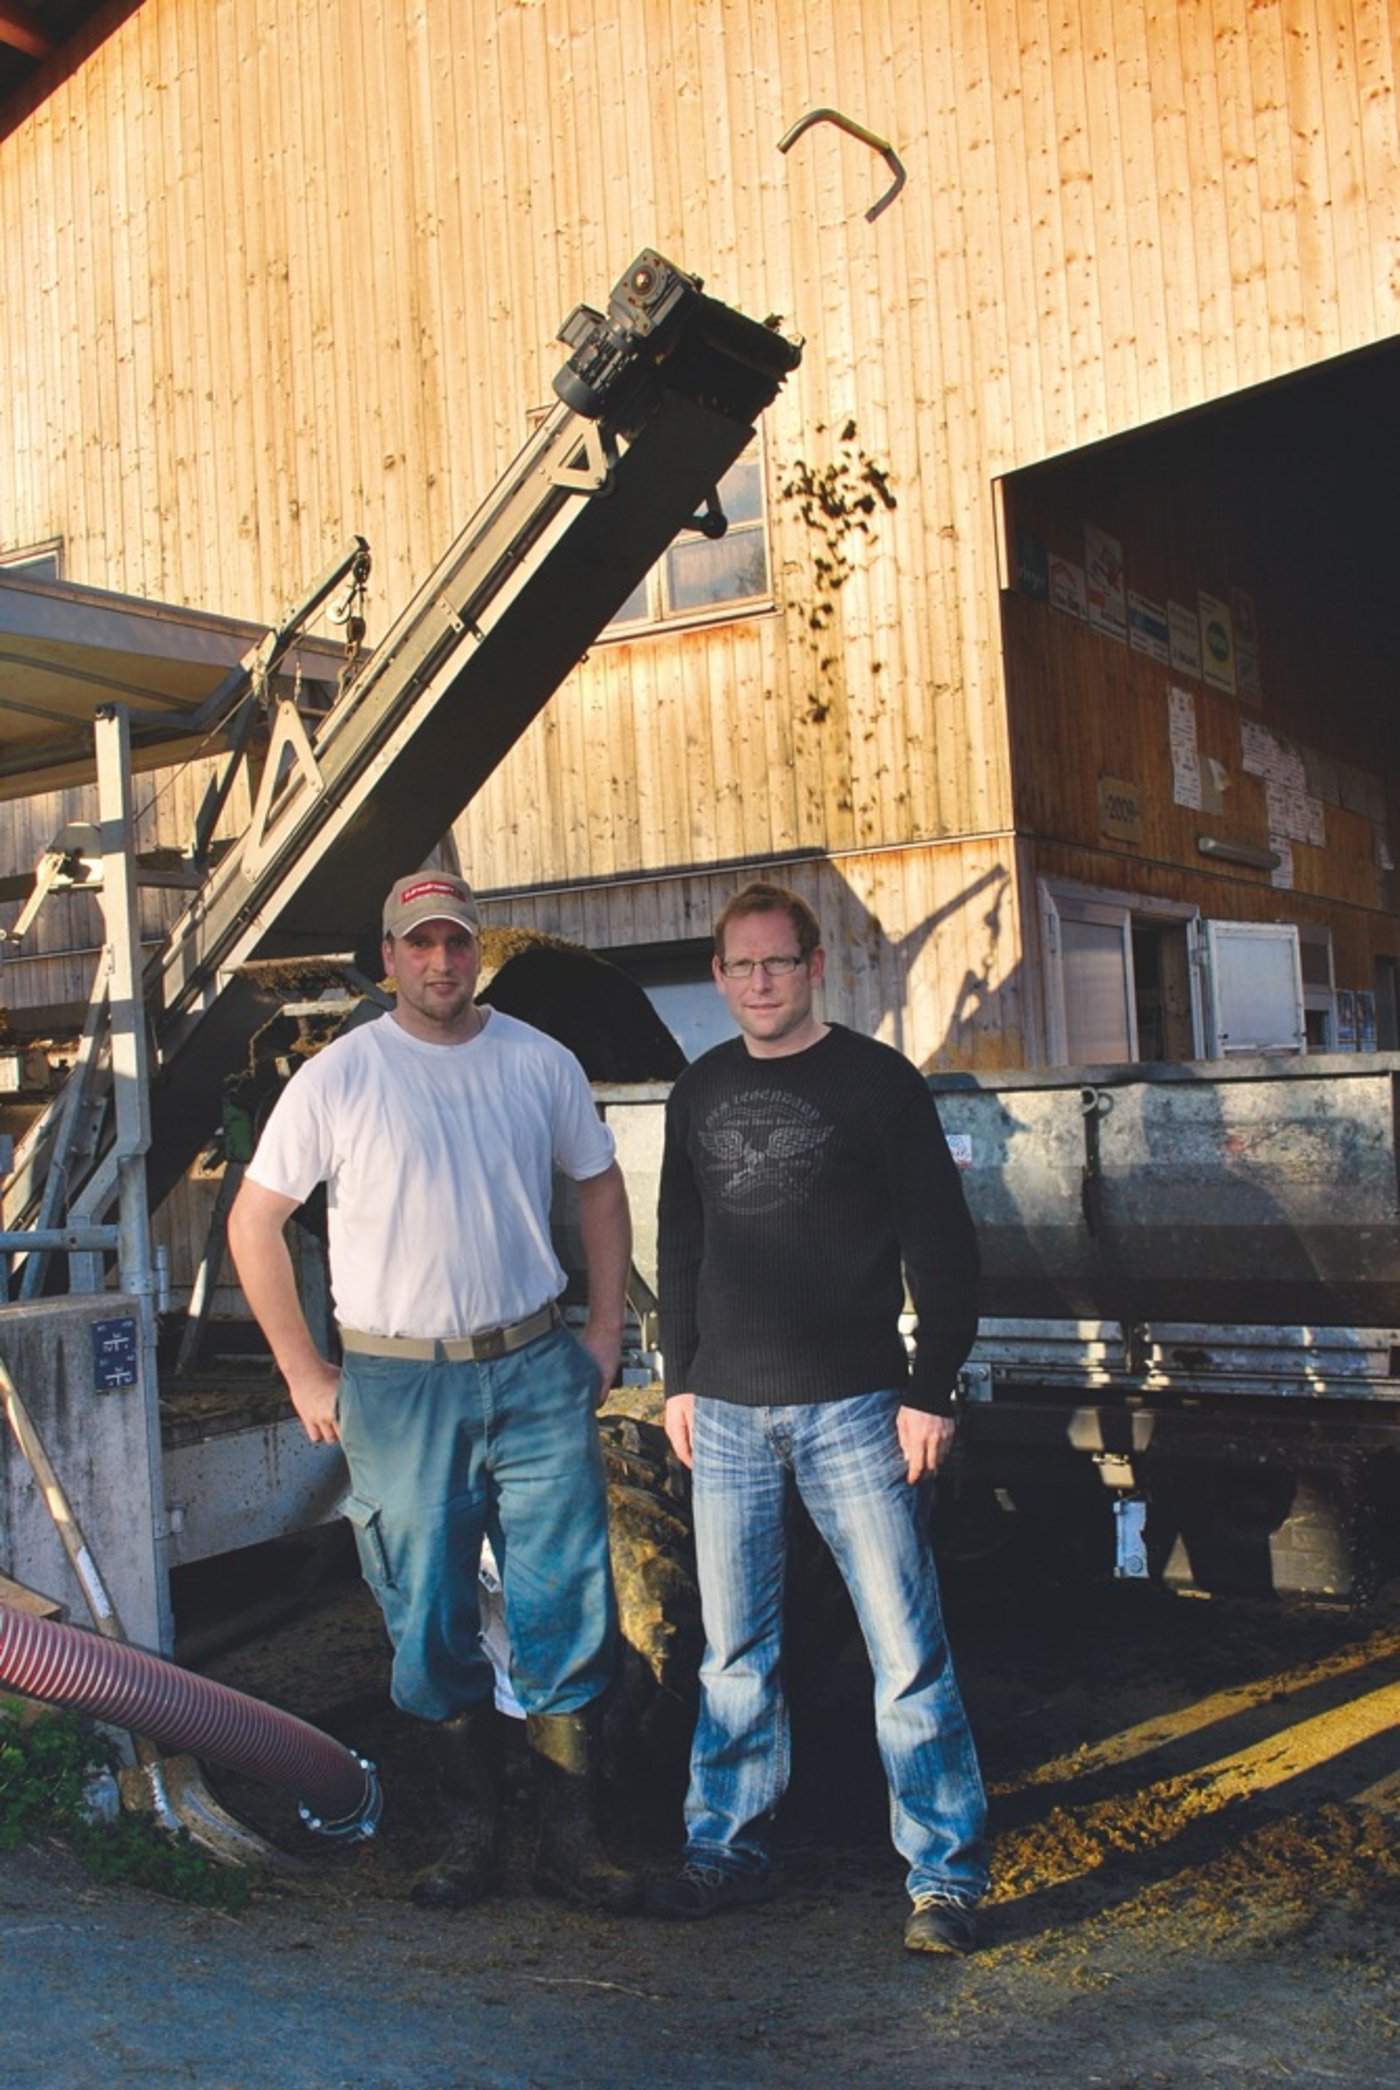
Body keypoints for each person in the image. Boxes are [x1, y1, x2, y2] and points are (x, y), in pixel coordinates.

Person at [227, 869, 641, 1915]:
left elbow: (597, 1181)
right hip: (400, 1382)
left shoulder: (537, 1059)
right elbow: (252, 1222)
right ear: (389, 958)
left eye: (455, 941)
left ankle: (570, 1837)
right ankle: (468, 1828)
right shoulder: (340, 1074)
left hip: (535, 1365)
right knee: (428, 1612)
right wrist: (303, 1368)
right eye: (419, 943)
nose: (440, 960)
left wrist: (601, 1327)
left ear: (473, 952)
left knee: (564, 1596)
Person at [646, 880, 988, 1954]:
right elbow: (680, 1242)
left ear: (814, 967)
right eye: (739, 966)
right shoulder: (695, 1094)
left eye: (777, 963)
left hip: (856, 1408)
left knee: (905, 1648)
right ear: (717, 977)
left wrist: (930, 1386)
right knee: (733, 1651)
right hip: (729, 1415)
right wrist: (677, 1377)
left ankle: (943, 1875)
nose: (758, 982)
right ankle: (724, 1848)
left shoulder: (877, 1083)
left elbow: (942, 1243)